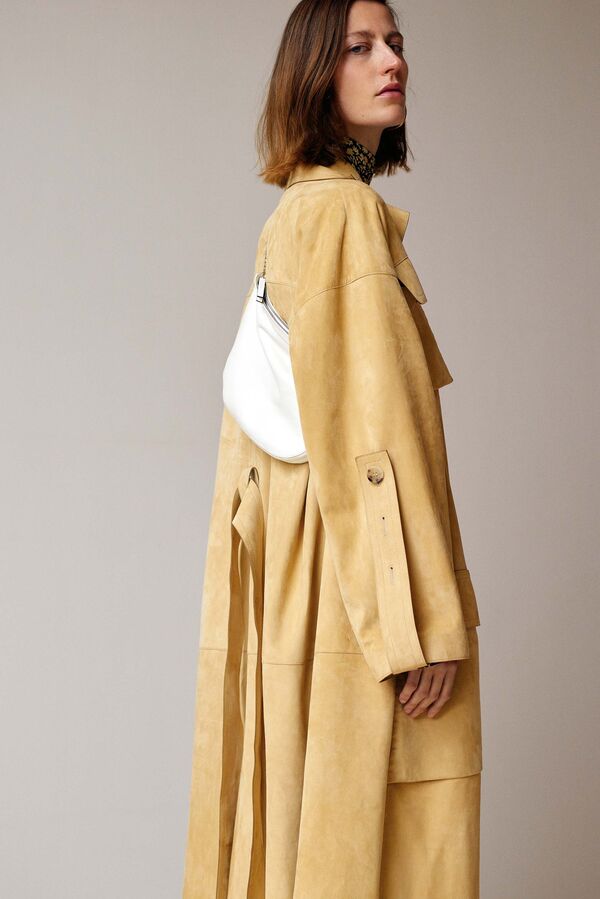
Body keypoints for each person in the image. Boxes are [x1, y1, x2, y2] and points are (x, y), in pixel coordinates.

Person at [182, 1, 483, 896]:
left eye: (395, 43)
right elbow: (370, 434)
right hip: (364, 587)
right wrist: (422, 621)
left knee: (313, 826)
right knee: (386, 845)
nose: (392, 61)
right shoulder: (346, 213)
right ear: (316, 73)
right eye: (361, 47)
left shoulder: (295, 213)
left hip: (312, 575)